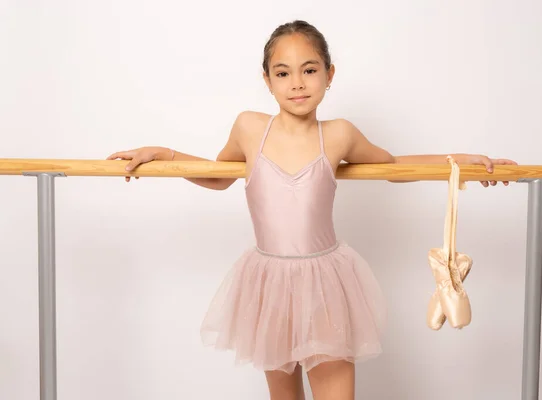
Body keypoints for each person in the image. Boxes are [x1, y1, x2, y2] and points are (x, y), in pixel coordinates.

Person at [107, 20, 517, 400]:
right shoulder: (250, 127)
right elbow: (218, 175)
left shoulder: (338, 134)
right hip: (267, 283)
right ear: (266, 80)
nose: (297, 83)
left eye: (309, 69)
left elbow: (394, 169)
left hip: (323, 283)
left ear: (329, 74)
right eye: (283, 73)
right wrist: (163, 153)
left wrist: (458, 161)